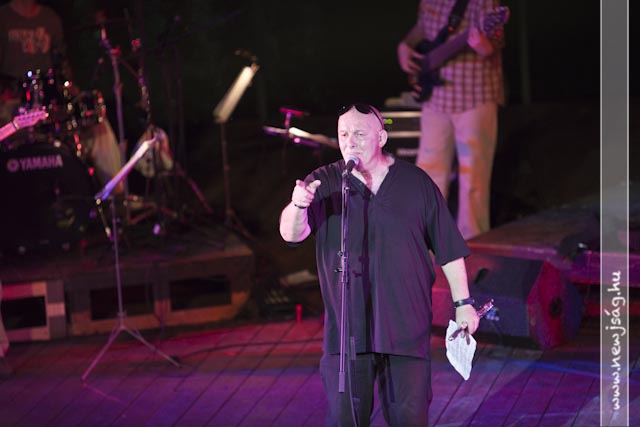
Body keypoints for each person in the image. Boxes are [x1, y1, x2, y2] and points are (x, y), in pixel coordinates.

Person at [279, 103, 479, 426]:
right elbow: (291, 234)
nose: (350, 142)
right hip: (347, 334)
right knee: (345, 419)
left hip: (405, 331)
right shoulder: (326, 181)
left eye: (359, 134)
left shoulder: (415, 183)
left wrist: (463, 304)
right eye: (343, 134)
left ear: (381, 138)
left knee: (409, 418)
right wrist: (298, 205)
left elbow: (449, 248)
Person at [397, 0, 505, 240]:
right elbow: (424, 26)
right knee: (428, 178)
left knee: (473, 182)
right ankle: (424, 246)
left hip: (475, 96)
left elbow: (493, 45)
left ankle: (473, 247)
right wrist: (406, 45)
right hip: (436, 98)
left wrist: (484, 45)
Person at [0, 0, 122, 187]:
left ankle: (116, 195)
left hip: (50, 102)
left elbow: (61, 62)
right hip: (13, 102)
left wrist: (70, 88)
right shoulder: (3, 17)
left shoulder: (50, 19)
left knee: (96, 122)